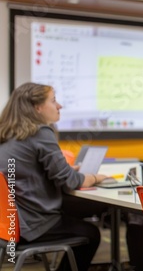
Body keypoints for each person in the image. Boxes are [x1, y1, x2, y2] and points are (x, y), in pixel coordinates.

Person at [0, 82, 111, 270]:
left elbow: (30, 172)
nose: (59, 106)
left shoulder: (8, 134)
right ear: (38, 107)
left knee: (79, 210)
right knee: (91, 233)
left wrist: (67, 170)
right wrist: (94, 177)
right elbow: (69, 181)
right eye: (54, 101)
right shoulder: (40, 132)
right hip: (32, 223)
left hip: (9, 223)